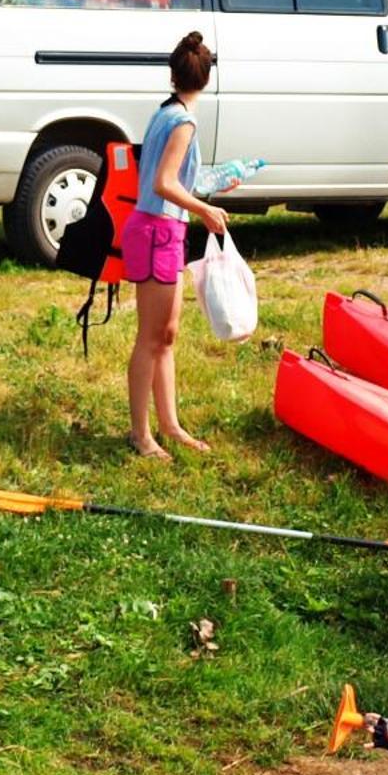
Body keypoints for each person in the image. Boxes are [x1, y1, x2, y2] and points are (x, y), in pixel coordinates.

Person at [122, 32, 228, 458]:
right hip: (156, 231)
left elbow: (166, 177)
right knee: (151, 338)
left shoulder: (166, 111)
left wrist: (205, 189)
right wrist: (204, 209)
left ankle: (169, 425)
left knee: (166, 335)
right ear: (207, 78)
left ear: (173, 74)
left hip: (159, 230)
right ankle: (140, 434)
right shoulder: (184, 121)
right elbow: (164, 184)